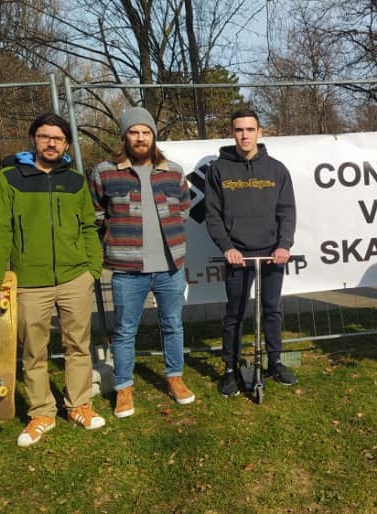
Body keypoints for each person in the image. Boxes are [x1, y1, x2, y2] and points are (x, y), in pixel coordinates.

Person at [0, 113, 105, 446]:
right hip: (30, 282)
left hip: (74, 278)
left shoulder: (76, 180)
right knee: (33, 350)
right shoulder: (11, 178)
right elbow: (0, 234)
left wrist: (91, 270)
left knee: (78, 345)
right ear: (34, 139)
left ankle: (79, 405)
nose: (51, 142)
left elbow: (89, 228)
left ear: (66, 144)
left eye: (58, 138)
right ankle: (41, 412)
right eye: (44, 136)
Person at [90, 106, 194, 418]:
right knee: (124, 331)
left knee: (173, 325)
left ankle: (175, 378)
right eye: (134, 132)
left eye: (145, 132)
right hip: (127, 270)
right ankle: (124, 388)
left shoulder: (173, 171)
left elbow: (184, 209)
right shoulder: (105, 172)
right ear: (124, 136)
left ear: (153, 136)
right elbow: (96, 215)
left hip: (170, 268)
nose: (140, 137)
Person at [204, 107, 298, 396]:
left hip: (271, 255)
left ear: (260, 131)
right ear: (232, 133)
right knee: (235, 312)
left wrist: (284, 245)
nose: (244, 135)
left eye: (249, 129)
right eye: (238, 130)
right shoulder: (218, 170)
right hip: (238, 255)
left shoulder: (277, 169)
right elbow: (213, 214)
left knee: (272, 309)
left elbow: (287, 211)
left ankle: (275, 360)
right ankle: (231, 369)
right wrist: (227, 247)